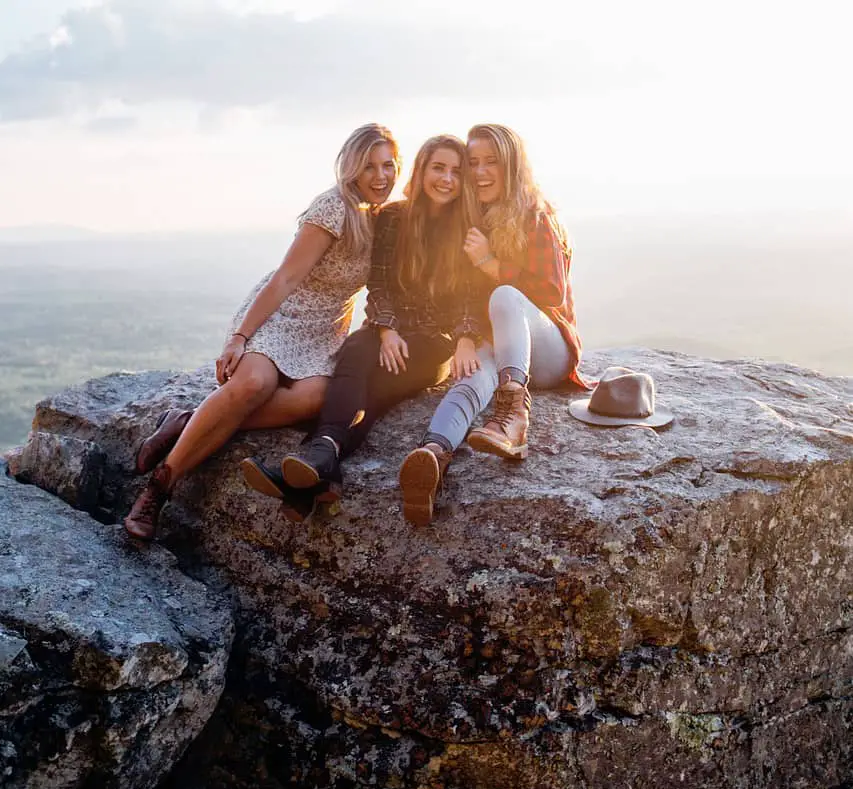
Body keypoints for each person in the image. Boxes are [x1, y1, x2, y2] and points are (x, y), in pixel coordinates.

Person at [124, 123, 401, 540]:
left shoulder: (384, 219)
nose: (381, 177)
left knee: (316, 398)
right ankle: (158, 489)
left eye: (388, 165)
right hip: (283, 315)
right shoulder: (332, 208)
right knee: (253, 383)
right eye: (369, 167)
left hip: (325, 329)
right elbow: (286, 279)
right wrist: (239, 337)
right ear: (351, 170)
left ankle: (186, 421)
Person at [243, 134, 481, 516]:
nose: (447, 179)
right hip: (388, 330)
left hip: (434, 342)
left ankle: (312, 474)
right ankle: (323, 467)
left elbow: (473, 293)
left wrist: (467, 338)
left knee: (376, 386)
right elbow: (380, 283)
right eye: (438, 167)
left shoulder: (470, 226)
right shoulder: (393, 218)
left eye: (456, 171)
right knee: (354, 353)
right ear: (421, 171)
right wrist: (386, 330)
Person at [398, 123, 587, 526]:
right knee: (468, 375)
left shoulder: (537, 215)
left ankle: (513, 416)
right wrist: (465, 338)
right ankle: (433, 455)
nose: (480, 172)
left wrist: (490, 263)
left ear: (512, 167)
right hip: (503, 349)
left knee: (503, 296)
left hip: (547, 350)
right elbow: (464, 294)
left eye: (492, 163)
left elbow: (551, 294)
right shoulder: (475, 219)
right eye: (473, 163)